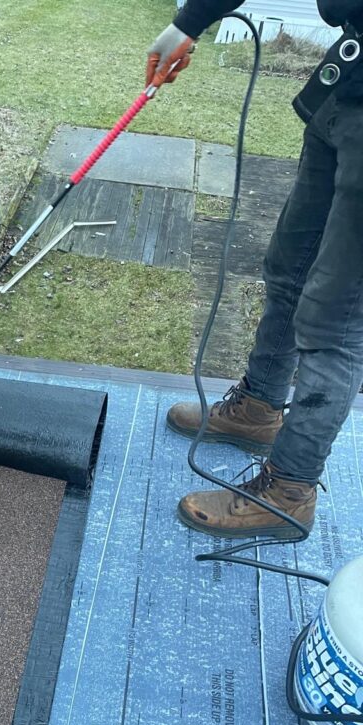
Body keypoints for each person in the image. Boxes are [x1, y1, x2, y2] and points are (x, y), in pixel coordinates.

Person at [148, 1, 363, 540]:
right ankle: (259, 408)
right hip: (349, 86)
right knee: (290, 267)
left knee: (336, 319)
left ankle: (289, 492)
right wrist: (188, 23)